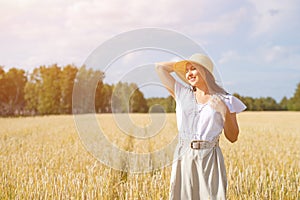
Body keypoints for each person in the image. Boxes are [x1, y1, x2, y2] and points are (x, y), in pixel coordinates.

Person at [155, 53, 246, 200]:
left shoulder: (225, 99)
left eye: (194, 69)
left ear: (205, 72)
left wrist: (224, 112)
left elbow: (233, 137)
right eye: (187, 70)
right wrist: (184, 63)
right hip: (184, 155)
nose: (189, 73)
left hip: (209, 156)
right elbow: (160, 68)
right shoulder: (182, 93)